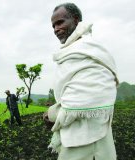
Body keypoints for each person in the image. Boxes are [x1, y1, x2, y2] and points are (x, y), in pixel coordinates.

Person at [43, 3, 118, 160]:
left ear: (76, 20)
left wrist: (52, 114)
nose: (56, 29)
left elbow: (81, 100)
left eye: (60, 22)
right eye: (53, 26)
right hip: (73, 135)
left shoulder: (89, 51)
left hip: (91, 141)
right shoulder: (72, 52)